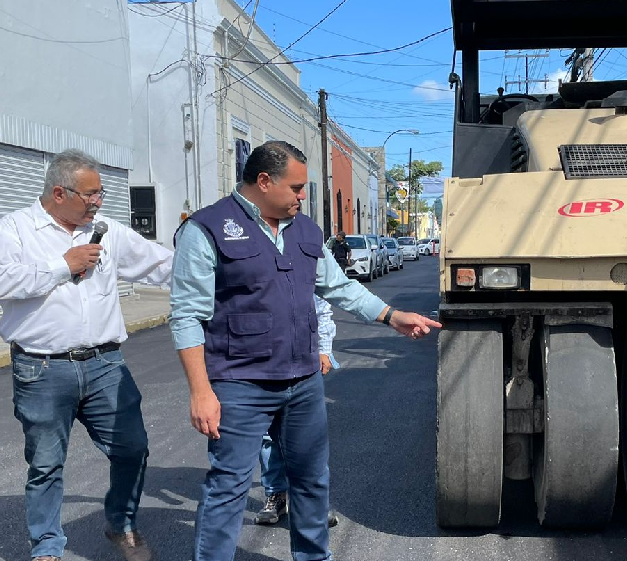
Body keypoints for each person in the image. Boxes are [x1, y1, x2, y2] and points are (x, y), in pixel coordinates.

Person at [169, 140, 441, 561]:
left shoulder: (306, 230)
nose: (302, 197)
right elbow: (187, 315)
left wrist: (392, 315)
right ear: (263, 181)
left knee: (312, 481)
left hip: (302, 382)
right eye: (296, 188)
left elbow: (340, 286)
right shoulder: (206, 229)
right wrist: (201, 391)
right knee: (228, 486)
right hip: (240, 384)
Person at [0, 149, 173, 561]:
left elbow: (161, 266)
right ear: (59, 192)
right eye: (91, 194)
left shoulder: (109, 232)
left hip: (106, 364)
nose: (99, 201)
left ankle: (120, 523)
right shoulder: (15, 228)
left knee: (133, 448)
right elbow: (0, 283)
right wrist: (62, 265)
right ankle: (48, 546)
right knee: (46, 463)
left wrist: (214, 265)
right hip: (42, 367)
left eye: (101, 192)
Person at [255, 295, 339, 527]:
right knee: (267, 435)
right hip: (259, 362)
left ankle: (314, 503)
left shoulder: (305, 258)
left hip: (302, 359)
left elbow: (321, 304)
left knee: (307, 437)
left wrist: (324, 348)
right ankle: (276, 495)